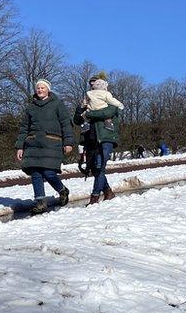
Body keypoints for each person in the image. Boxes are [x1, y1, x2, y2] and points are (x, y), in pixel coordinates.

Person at [15, 79, 75, 214]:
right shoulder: (31, 107)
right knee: (35, 172)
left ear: (48, 89)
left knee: (48, 172)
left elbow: (66, 123)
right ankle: (41, 202)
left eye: (43, 88)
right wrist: (20, 146)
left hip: (51, 143)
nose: (40, 90)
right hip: (33, 144)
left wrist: (68, 142)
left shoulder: (57, 104)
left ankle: (62, 190)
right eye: (38, 88)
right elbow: (24, 128)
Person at [74, 74, 121, 204]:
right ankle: (108, 192)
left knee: (100, 167)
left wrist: (88, 113)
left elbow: (106, 113)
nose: (93, 86)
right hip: (90, 140)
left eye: (95, 83)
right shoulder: (87, 102)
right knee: (94, 169)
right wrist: (81, 108)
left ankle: (94, 197)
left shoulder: (110, 100)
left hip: (105, 138)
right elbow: (77, 120)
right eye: (91, 84)